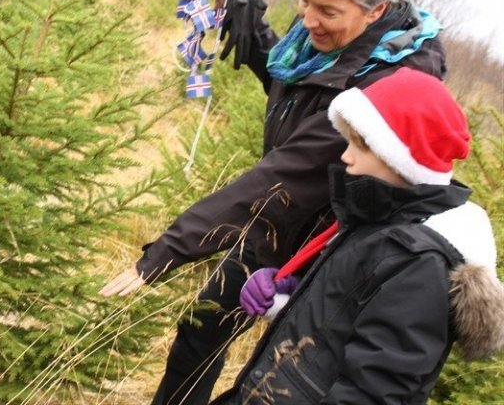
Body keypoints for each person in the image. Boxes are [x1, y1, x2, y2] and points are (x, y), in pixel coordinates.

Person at [100, 0, 447, 404]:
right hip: (280, 221)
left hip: (327, 252)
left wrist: (171, 247)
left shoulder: (391, 81)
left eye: (327, 10)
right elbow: (301, 93)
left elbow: (292, 170)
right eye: (304, 1)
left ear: (377, 9)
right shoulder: (329, 43)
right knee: (201, 331)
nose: (308, 19)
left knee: (274, 377)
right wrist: (254, 30)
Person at [211, 66, 504, 404]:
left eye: (361, 146)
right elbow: (340, 329)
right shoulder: (377, 222)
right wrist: (289, 299)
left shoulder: (419, 264)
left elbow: (374, 393)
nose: (346, 155)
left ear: (400, 157)